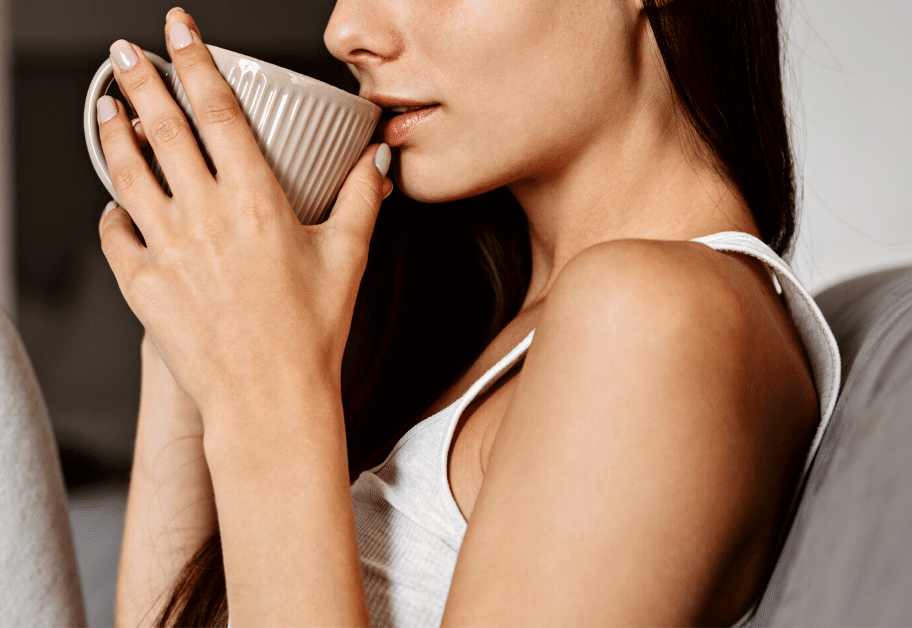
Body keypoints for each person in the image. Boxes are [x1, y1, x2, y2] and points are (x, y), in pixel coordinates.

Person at [99, 2, 839, 627]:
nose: (344, 28)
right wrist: (195, 340)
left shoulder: (657, 318)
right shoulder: (497, 324)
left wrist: (270, 396)